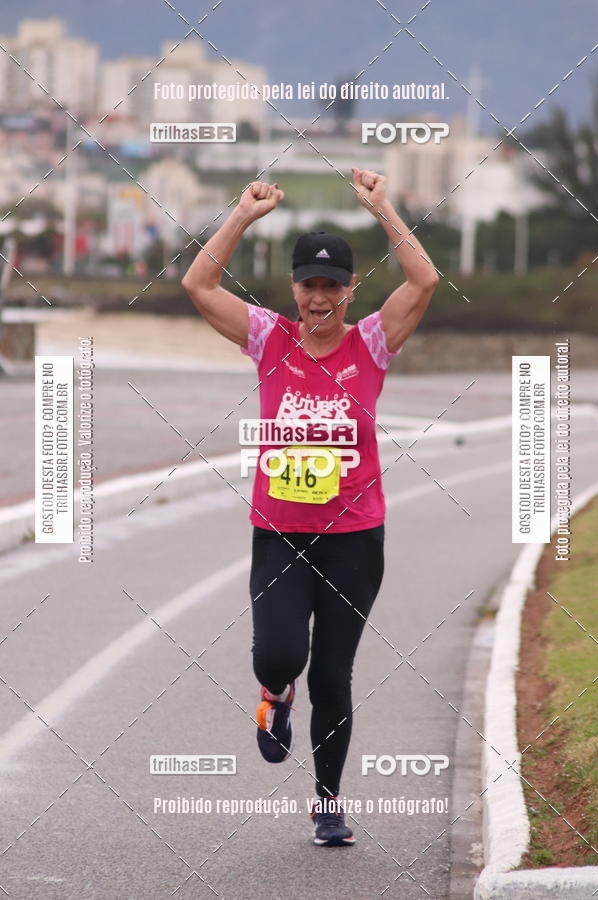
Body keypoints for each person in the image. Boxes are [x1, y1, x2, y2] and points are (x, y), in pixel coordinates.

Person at [182, 169, 439, 846]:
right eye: (308, 285)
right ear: (294, 289)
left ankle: (327, 802)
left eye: (332, 285)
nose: (319, 297)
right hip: (281, 534)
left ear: (349, 290)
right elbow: (198, 287)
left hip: (356, 538)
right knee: (278, 655)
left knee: (333, 674)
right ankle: (275, 696)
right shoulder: (270, 338)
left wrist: (384, 206)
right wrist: (241, 215)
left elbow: (424, 282)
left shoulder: (371, 345)